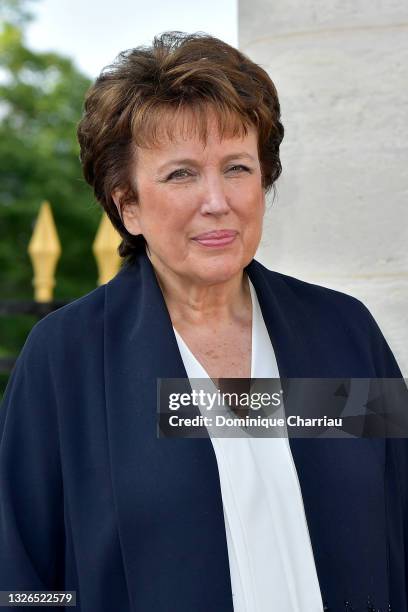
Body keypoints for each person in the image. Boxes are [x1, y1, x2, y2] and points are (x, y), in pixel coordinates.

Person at [0, 31, 406, 612]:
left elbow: (399, 528)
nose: (218, 200)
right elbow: (21, 580)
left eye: (237, 167)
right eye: (181, 174)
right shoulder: (67, 359)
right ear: (127, 204)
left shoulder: (343, 331)